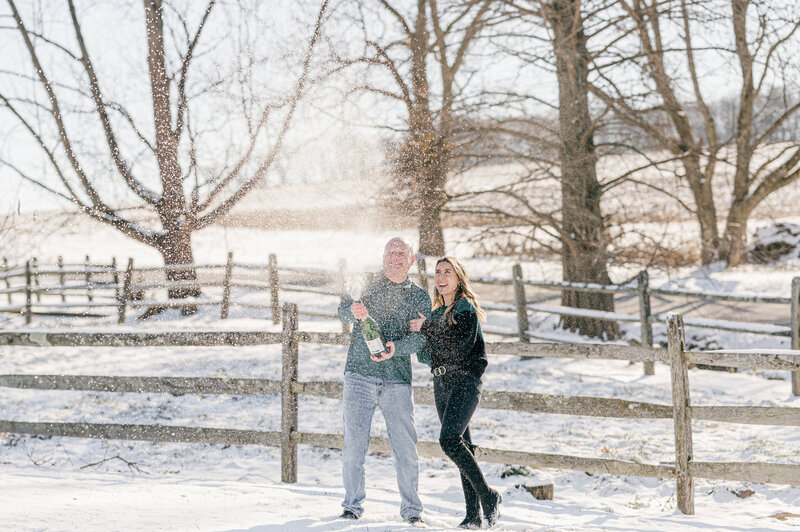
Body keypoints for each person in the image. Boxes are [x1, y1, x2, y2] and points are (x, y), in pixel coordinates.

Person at [337, 237, 431, 524]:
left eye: (402, 253)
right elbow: (342, 310)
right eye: (391, 252)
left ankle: (412, 512)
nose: (396, 257)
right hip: (358, 377)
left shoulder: (419, 297)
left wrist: (395, 349)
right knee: (354, 446)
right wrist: (352, 311)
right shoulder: (365, 284)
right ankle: (351, 507)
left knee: (406, 449)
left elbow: (421, 338)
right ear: (383, 257)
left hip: (397, 381)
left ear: (411, 260)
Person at [410, 257, 502, 529]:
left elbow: (458, 348)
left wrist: (428, 330)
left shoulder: (465, 309)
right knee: (464, 447)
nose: (441, 276)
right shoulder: (437, 314)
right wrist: (424, 337)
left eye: (447, 272)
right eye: (438, 272)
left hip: (465, 381)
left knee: (449, 441)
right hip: (441, 383)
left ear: (459, 278)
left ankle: (489, 496)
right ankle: (472, 516)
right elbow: (428, 355)